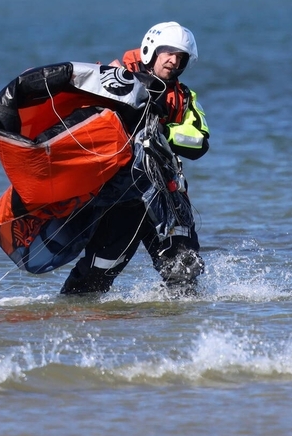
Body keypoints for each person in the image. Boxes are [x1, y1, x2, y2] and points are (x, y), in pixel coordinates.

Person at [60, 21, 210, 295]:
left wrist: (163, 130)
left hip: (165, 196)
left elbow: (200, 141)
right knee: (96, 274)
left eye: (181, 57)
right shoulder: (114, 79)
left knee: (184, 271)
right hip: (119, 197)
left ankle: (181, 331)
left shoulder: (184, 98)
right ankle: (70, 319)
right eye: (168, 52)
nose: (173, 60)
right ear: (151, 50)